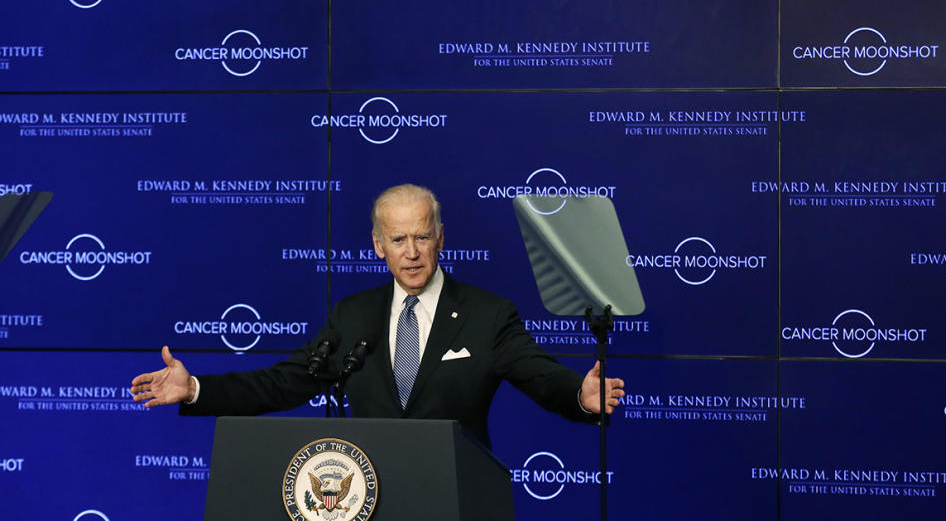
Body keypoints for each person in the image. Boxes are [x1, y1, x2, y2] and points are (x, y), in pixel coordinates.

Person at [131, 184, 625, 448]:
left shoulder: (488, 313)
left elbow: (538, 375)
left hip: (456, 498)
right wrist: (196, 388)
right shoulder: (353, 316)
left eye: (422, 236)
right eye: (398, 240)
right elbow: (281, 384)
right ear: (378, 246)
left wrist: (578, 396)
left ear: (440, 237)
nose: (411, 253)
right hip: (367, 497)